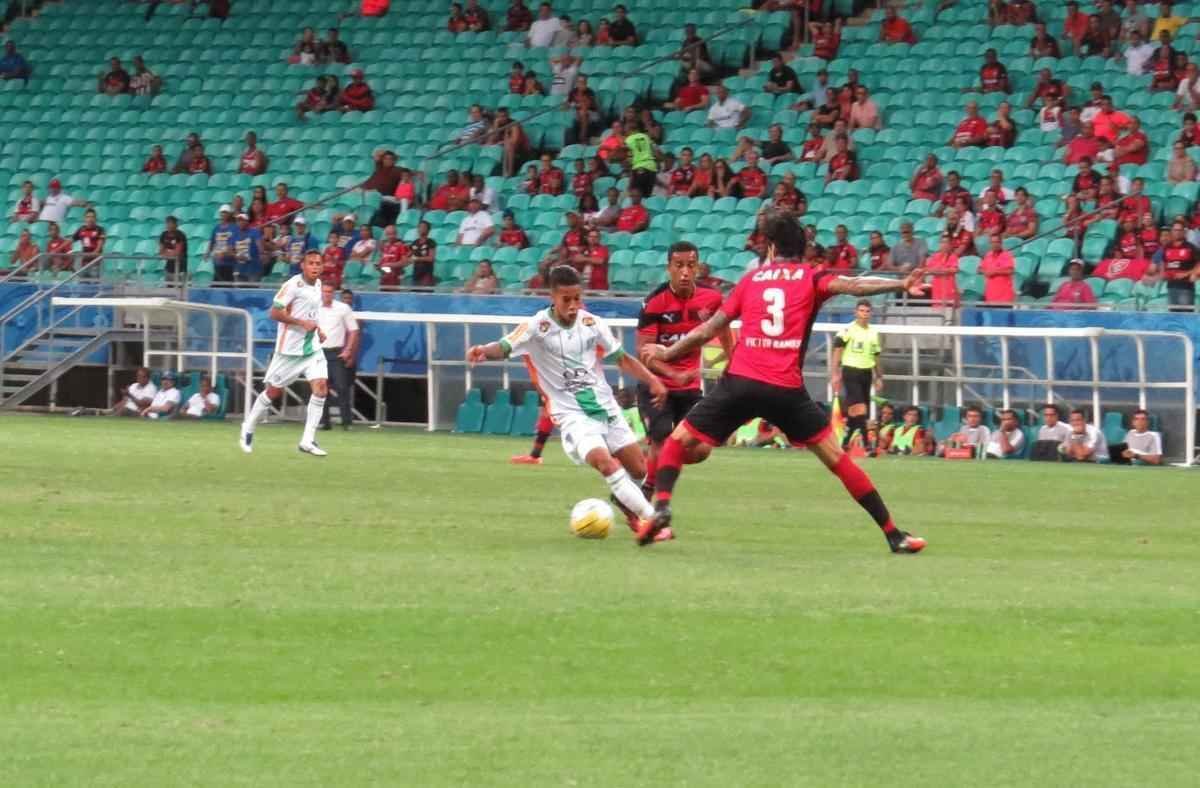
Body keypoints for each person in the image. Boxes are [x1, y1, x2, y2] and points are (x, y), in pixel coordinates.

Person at [635, 213, 928, 553]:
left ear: (771, 248)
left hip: (741, 381)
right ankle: (894, 534)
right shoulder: (812, 277)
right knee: (839, 459)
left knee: (674, 441)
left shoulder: (751, 280)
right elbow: (854, 285)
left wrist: (668, 353)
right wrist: (900, 283)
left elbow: (708, 329)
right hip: (785, 389)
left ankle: (662, 506)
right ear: (803, 249)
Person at [468, 264, 672, 538]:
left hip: (605, 407)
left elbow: (622, 358)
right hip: (572, 415)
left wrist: (653, 380)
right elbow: (504, 346)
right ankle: (652, 519)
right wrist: (483, 350)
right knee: (606, 463)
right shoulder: (535, 327)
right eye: (567, 299)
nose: (574, 305)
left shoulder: (592, 323)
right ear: (552, 297)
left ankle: (626, 504)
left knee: (639, 469)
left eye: (577, 298)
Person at [634, 242, 734, 500]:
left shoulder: (711, 298)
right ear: (669, 268)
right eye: (679, 266)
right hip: (656, 386)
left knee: (701, 449)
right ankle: (646, 495)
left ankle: (647, 457)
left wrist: (734, 363)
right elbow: (644, 354)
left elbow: (723, 330)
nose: (685, 272)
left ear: (698, 267)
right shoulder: (654, 303)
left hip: (689, 389)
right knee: (663, 437)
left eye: (691, 265)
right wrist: (673, 374)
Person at [239, 250, 331, 456]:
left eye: (318, 263)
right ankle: (248, 426)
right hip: (289, 351)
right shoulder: (292, 286)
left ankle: (307, 440)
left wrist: (319, 329)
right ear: (303, 266)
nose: (315, 266)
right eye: (311, 263)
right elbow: (274, 312)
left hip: (312, 349)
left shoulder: (318, 285)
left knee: (321, 388)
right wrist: (300, 323)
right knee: (273, 392)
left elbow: (311, 314)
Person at [830, 300, 882, 449]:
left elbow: (876, 355)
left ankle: (845, 442)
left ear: (871, 313)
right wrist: (835, 373)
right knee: (861, 408)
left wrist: (879, 376)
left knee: (856, 410)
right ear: (855, 312)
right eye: (861, 311)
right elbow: (837, 351)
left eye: (867, 311)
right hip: (851, 371)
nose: (864, 314)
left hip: (866, 373)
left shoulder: (873, 333)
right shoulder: (848, 330)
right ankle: (867, 444)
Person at [316, 283, 360, 431]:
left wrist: (348, 350)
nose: (327, 294)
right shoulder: (313, 308)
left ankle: (347, 422)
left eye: (329, 291)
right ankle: (324, 422)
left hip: (336, 352)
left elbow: (353, 330)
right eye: (324, 292)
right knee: (321, 388)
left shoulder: (343, 308)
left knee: (342, 387)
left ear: (333, 293)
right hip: (318, 353)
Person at [979, 233, 1015, 305]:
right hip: (990, 296)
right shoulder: (988, 255)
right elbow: (979, 269)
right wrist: (985, 272)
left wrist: (995, 272)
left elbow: (1010, 270)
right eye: (992, 242)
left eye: (996, 242)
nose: (994, 244)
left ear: (1001, 243)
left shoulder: (1007, 255)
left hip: (1005, 297)